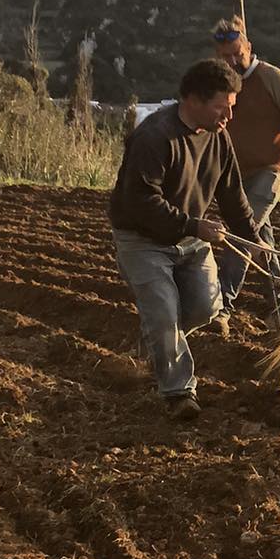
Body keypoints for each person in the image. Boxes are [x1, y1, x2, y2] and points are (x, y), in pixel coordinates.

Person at [108, 57, 263, 420]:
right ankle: (179, 394)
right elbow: (141, 201)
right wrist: (195, 226)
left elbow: (232, 194)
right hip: (143, 239)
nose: (228, 117)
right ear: (193, 100)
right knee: (163, 313)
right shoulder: (153, 136)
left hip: (188, 239)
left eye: (231, 108)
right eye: (222, 108)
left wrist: (253, 239)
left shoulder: (218, 138)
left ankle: (160, 343)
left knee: (206, 308)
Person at [211, 17, 280, 329]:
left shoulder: (273, 78)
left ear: (248, 47)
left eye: (236, 53)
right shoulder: (222, 81)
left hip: (271, 170)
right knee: (259, 235)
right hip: (237, 173)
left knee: (241, 234)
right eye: (225, 56)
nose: (232, 61)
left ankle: (220, 306)